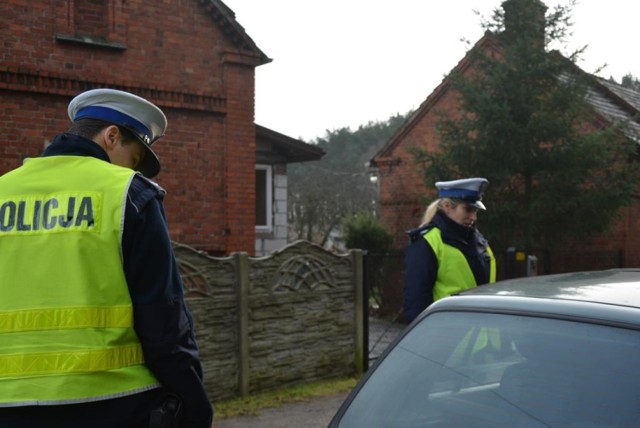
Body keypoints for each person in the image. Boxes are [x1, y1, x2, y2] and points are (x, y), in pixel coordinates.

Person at [0, 88, 213, 427]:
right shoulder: (129, 192)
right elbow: (163, 320)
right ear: (112, 136)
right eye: (134, 158)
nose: (133, 169)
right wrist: (194, 403)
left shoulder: (3, 191)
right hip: (114, 404)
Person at [403, 178, 496, 323]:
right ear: (447, 206)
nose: (473, 217)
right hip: (448, 339)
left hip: (484, 338)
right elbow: (416, 303)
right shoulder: (427, 242)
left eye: (475, 210)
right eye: (468, 209)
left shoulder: (478, 240)